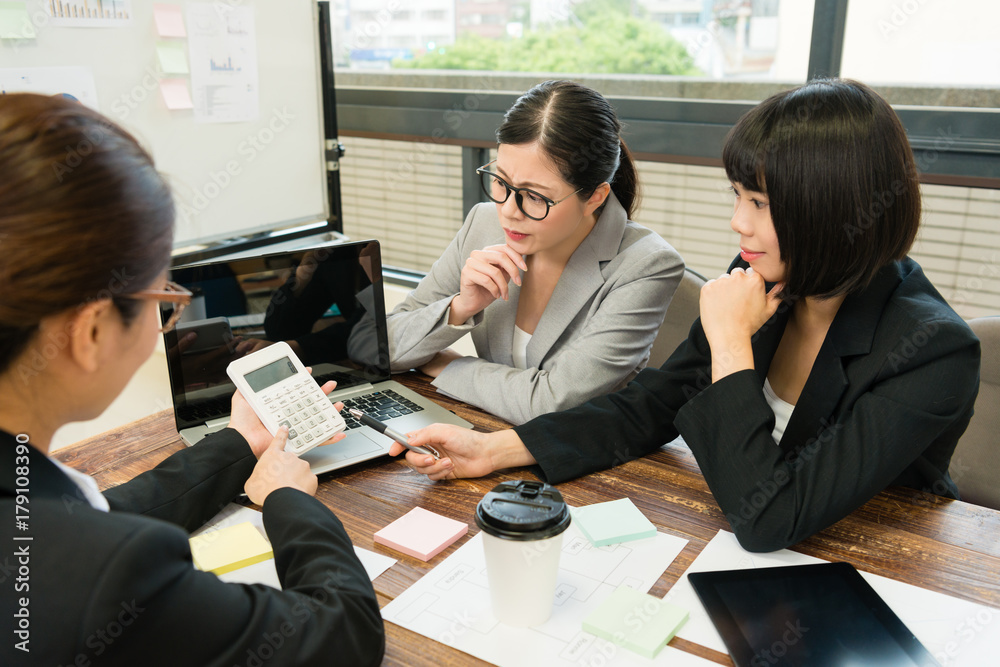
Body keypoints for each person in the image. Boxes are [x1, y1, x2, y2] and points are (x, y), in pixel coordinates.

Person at [390, 79, 982, 553]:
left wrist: (729, 346)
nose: (737, 224)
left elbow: (770, 517)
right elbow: (651, 405)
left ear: (832, 212)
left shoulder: (931, 350)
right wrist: (497, 450)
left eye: (759, 205)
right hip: (722, 527)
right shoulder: (769, 276)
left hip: (872, 568)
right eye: (737, 196)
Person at [0, 94, 384, 665]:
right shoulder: (107, 578)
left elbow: (86, 517)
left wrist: (239, 445)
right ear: (92, 331)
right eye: (163, 298)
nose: (167, 319)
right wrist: (287, 501)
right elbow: (343, 637)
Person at [384, 80, 685, 424]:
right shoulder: (482, 223)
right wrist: (460, 308)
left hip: (579, 460)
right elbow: (384, 342)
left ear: (596, 197)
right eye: (501, 181)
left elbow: (553, 403)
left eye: (536, 196)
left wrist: (447, 364)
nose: (510, 211)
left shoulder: (647, 264)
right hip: (484, 430)